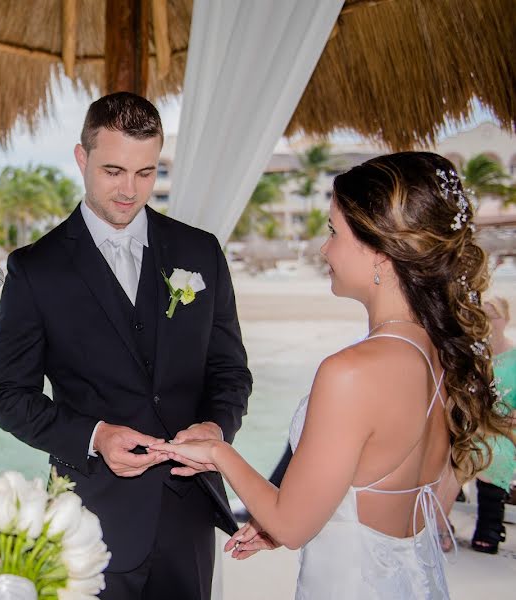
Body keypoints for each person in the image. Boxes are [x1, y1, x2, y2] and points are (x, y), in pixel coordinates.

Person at [152, 152, 513, 599]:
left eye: (333, 232)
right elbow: (377, 495)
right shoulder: (443, 352)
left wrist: (218, 453)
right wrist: (288, 522)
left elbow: (291, 523)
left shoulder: (352, 373)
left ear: (380, 252)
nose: (324, 249)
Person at [0, 93, 252, 599]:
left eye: (146, 173)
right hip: (89, 515)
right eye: (113, 171)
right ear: (81, 159)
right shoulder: (35, 268)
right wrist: (94, 435)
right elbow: (6, 395)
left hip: (187, 510)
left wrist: (217, 427)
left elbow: (230, 372)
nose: (130, 191)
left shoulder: (200, 251)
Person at [471, 296, 515, 554]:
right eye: (484, 315)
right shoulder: (474, 355)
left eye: (494, 315)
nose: (489, 322)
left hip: (505, 428)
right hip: (474, 425)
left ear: (506, 319)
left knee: (496, 451)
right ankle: (444, 511)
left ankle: (489, 525)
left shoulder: (515, 356)